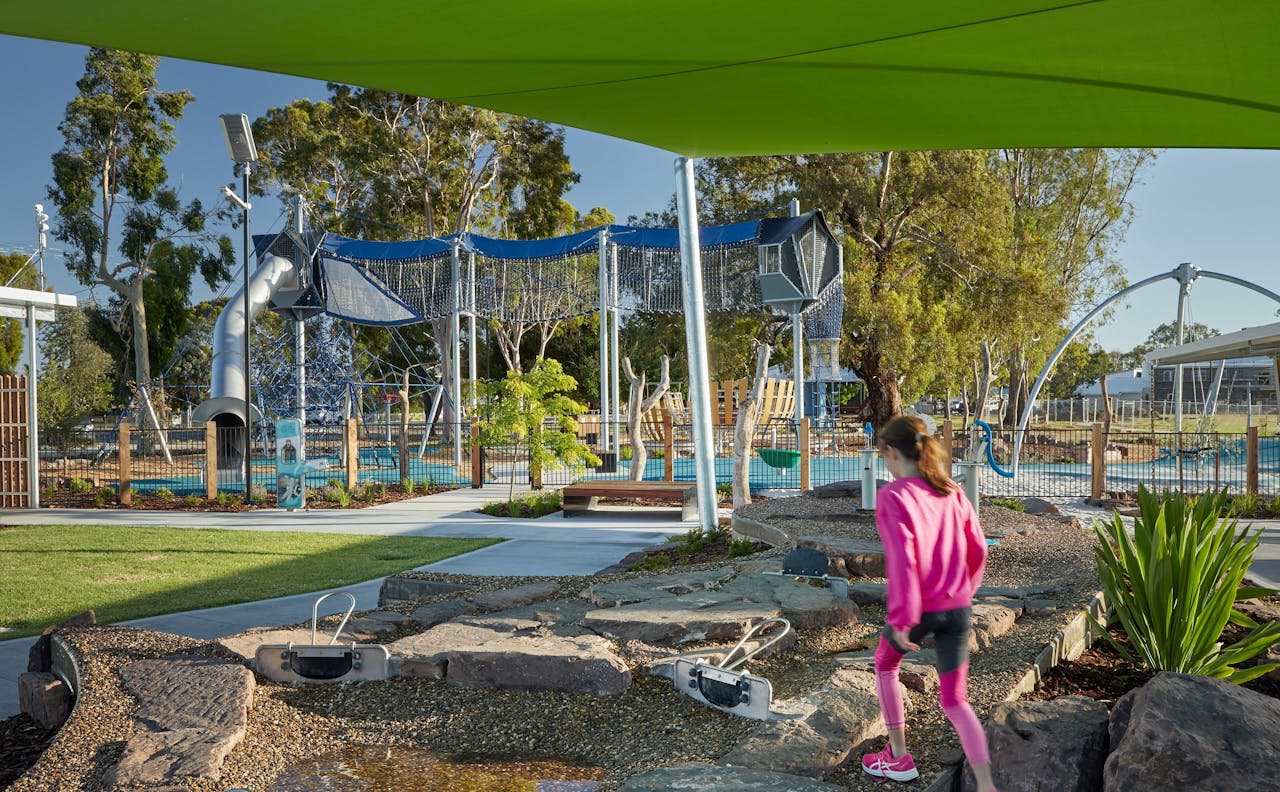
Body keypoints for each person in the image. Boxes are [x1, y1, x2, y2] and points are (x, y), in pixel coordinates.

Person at [860, 414, 998, 792]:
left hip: (920, 610)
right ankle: (987, 785)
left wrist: (902, 619)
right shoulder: (951, 490)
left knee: (885, 665)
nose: (886, 465)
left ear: (892, 452)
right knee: (956, 701)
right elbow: (978, 548)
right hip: (958, 607)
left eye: (884, 457)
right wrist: (965, 591)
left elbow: (903, 560)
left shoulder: (893, 496)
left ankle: (898, 757)